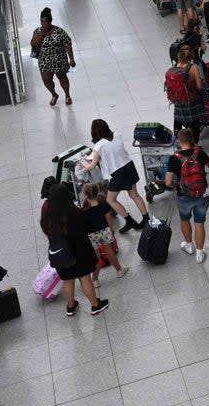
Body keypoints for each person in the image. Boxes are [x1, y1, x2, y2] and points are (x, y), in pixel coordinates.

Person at [40, 184, 110, 317]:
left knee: (67, 280)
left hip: (60, 255)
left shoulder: (47, 216)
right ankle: (95, 305)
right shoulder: (73, 212)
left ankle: (71, 306)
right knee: (84, 279)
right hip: (78, 253)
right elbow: (85, 227)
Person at [78, 119, 150, 233]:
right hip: (129, 166)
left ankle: (129, 221)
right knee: (134, 195)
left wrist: (83, 166)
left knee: (110, 200)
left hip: (118, 173)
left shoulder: (99, 145)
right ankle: (146, 219)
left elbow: (92, 165)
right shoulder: (116, 135)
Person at [165, 128, 209, 264]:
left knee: (185, 219)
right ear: (192, 140)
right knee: (199, 223)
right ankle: (200, 253)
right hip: (201, 194)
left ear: (179, 142)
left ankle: (189, 245)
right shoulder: (200, 153)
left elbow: (168, 182)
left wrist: (177, 187)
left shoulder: (174, 159)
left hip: (184, 195)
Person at [79, 183, 128, 284]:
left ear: (85, 195)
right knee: (109, 251)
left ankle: (95, 279)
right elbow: (109, 219)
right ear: (97, 192)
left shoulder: (83, 210)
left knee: (96, 258)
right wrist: (110, 230)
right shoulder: (103, 204)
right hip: (104, 231)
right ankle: (119, 270)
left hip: (91, 235)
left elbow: (82, 226)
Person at [30, 7, 74, 105]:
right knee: (46, 80)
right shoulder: (38, 31)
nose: (43, 23)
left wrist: (71, 59)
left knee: (62, 77)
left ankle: (67, 95)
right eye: (41, 21)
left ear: (50, 21)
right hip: (44, 61)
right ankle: (54, 94)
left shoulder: (59, 31)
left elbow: (68, 44)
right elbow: (33, 43)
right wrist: (42, 33)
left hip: (59, 60)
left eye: (45, 21)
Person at [168, 44, 206, 141]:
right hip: (191, 101)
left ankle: (178, 142)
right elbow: (199, 87)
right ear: (191, 56)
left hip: (178, 100)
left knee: (178, 121)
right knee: (194, 124)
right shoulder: (193, 67)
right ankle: (195, 145)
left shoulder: (175, 66)